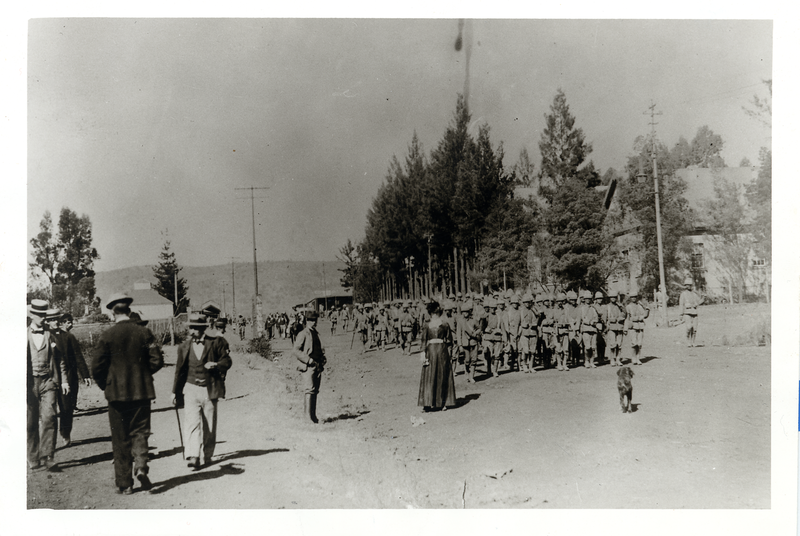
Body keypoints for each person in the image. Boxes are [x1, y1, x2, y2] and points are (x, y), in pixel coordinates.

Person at [92, 293, 164, 494]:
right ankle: (141, 466)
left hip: (116, 395)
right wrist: (142, 375)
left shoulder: (107, 335)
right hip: (142, 392)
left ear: (112, 311)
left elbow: (96, 367)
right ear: (129, 310)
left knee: (120, 437)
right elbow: (157, 360)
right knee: (140, 432)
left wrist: (106, 384)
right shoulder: (144, 333)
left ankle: (125, 484)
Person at [172, 313, 232, 470]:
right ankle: (193, 456)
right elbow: (179, 371)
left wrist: (216, 365)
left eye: (194, 328)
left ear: (201, 329)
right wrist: (174, 392)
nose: (191, 331)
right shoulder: (184, 347)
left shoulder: (215, 343)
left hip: (209, 389)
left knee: (209, 424)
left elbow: (227, 361)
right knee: (191, 423)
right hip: (190, 388)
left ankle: (207, 454)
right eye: (190, 328)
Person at [27, 300, 69, 472]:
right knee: (30, 422)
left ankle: (48, 457)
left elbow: (59, 361)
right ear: (31, 316)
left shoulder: (50, 335)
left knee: (49, 418)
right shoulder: (22, 335)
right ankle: (32, 456)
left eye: (45, 316)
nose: (43, 319)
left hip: (48, 382)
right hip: (29, 384)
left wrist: (64, 380)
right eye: (40, 316)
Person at [53, 313, 91, 448]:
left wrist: (85, 374)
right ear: (61, 322)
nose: (71, 324)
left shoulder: (69, 337)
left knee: (67, 407)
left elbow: (78, 356)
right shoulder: (48, 337)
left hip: (69, 377)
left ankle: (65, 432)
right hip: (51, 378)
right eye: (68, 322)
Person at [417, 300, 456, 411]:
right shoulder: (426, 325)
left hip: (442, 351)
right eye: (433, 312)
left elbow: (449, 340)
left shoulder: (444, 324)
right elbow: (424, 340)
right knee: (429, 376)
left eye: (436, 312)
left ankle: (442, 402)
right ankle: (427, 403)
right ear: (431, 313)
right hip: (430, 351)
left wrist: (449, 353)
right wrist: (422, 354)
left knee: (442, 375)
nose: (435, 314)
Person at [293, 311, 326, 423]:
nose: (313, 322)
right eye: (311, 320)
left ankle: (313, 416)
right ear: (307, 321)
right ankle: (307, 417)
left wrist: (322, 358)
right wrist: (308, 360)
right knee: (309, 390)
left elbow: (318, 348)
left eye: (315, 320)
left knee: (315, 390)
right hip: (308, 366)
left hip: (317, 365)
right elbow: (296, 350)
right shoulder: (303, 333)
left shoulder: (316, 333)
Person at [455, 301, 481, 382]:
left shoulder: (474, 320)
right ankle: (466, 372)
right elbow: (458, 334)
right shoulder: (460, 321)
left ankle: (471, 376)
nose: (465, 313)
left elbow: (479, 328)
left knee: (474, 360)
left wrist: (475, 333)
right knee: (467, 360)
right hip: (465, 343)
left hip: (473, 342)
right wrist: (460, 345)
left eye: (466, 312)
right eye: (463, 312)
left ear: (469, 312)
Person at [624, 290, 649, 365]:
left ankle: (638, 358)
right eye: (632, 297)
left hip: (640, 326)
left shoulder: (640, 306)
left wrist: (647, 309)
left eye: (635, 297)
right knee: (634, 343)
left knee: (639, 343)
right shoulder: (628, 307)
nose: (634, 298)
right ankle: (633, 357)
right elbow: (627, 318)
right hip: (633, 327)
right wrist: (625, 328)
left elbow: (645, 315)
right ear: (630, 298)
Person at [604, 291, 627, 367]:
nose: (613, 299)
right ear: (609, 298)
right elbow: (604, 318)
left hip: (619, 327)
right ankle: (612, 359)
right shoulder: (607, 306)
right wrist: (610, 320)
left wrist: (622, 309)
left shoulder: (620, 306)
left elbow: (625, 314)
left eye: (614, 297)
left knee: (619, 345)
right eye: (611, 297)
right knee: (612, 344)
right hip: (611, 328)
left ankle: (618, 359)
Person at [679, 278, 701, 347]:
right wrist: (681, 314)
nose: (688, 286)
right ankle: (687, 340)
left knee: (694, 329)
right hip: (687, 312)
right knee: (689, 327)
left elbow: (699, 301)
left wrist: (702, 299)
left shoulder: (694, 294)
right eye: (687, 285)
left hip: (694, 312)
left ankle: (693, 342)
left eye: (690, 285)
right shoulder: (683, 294)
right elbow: (681, 304)